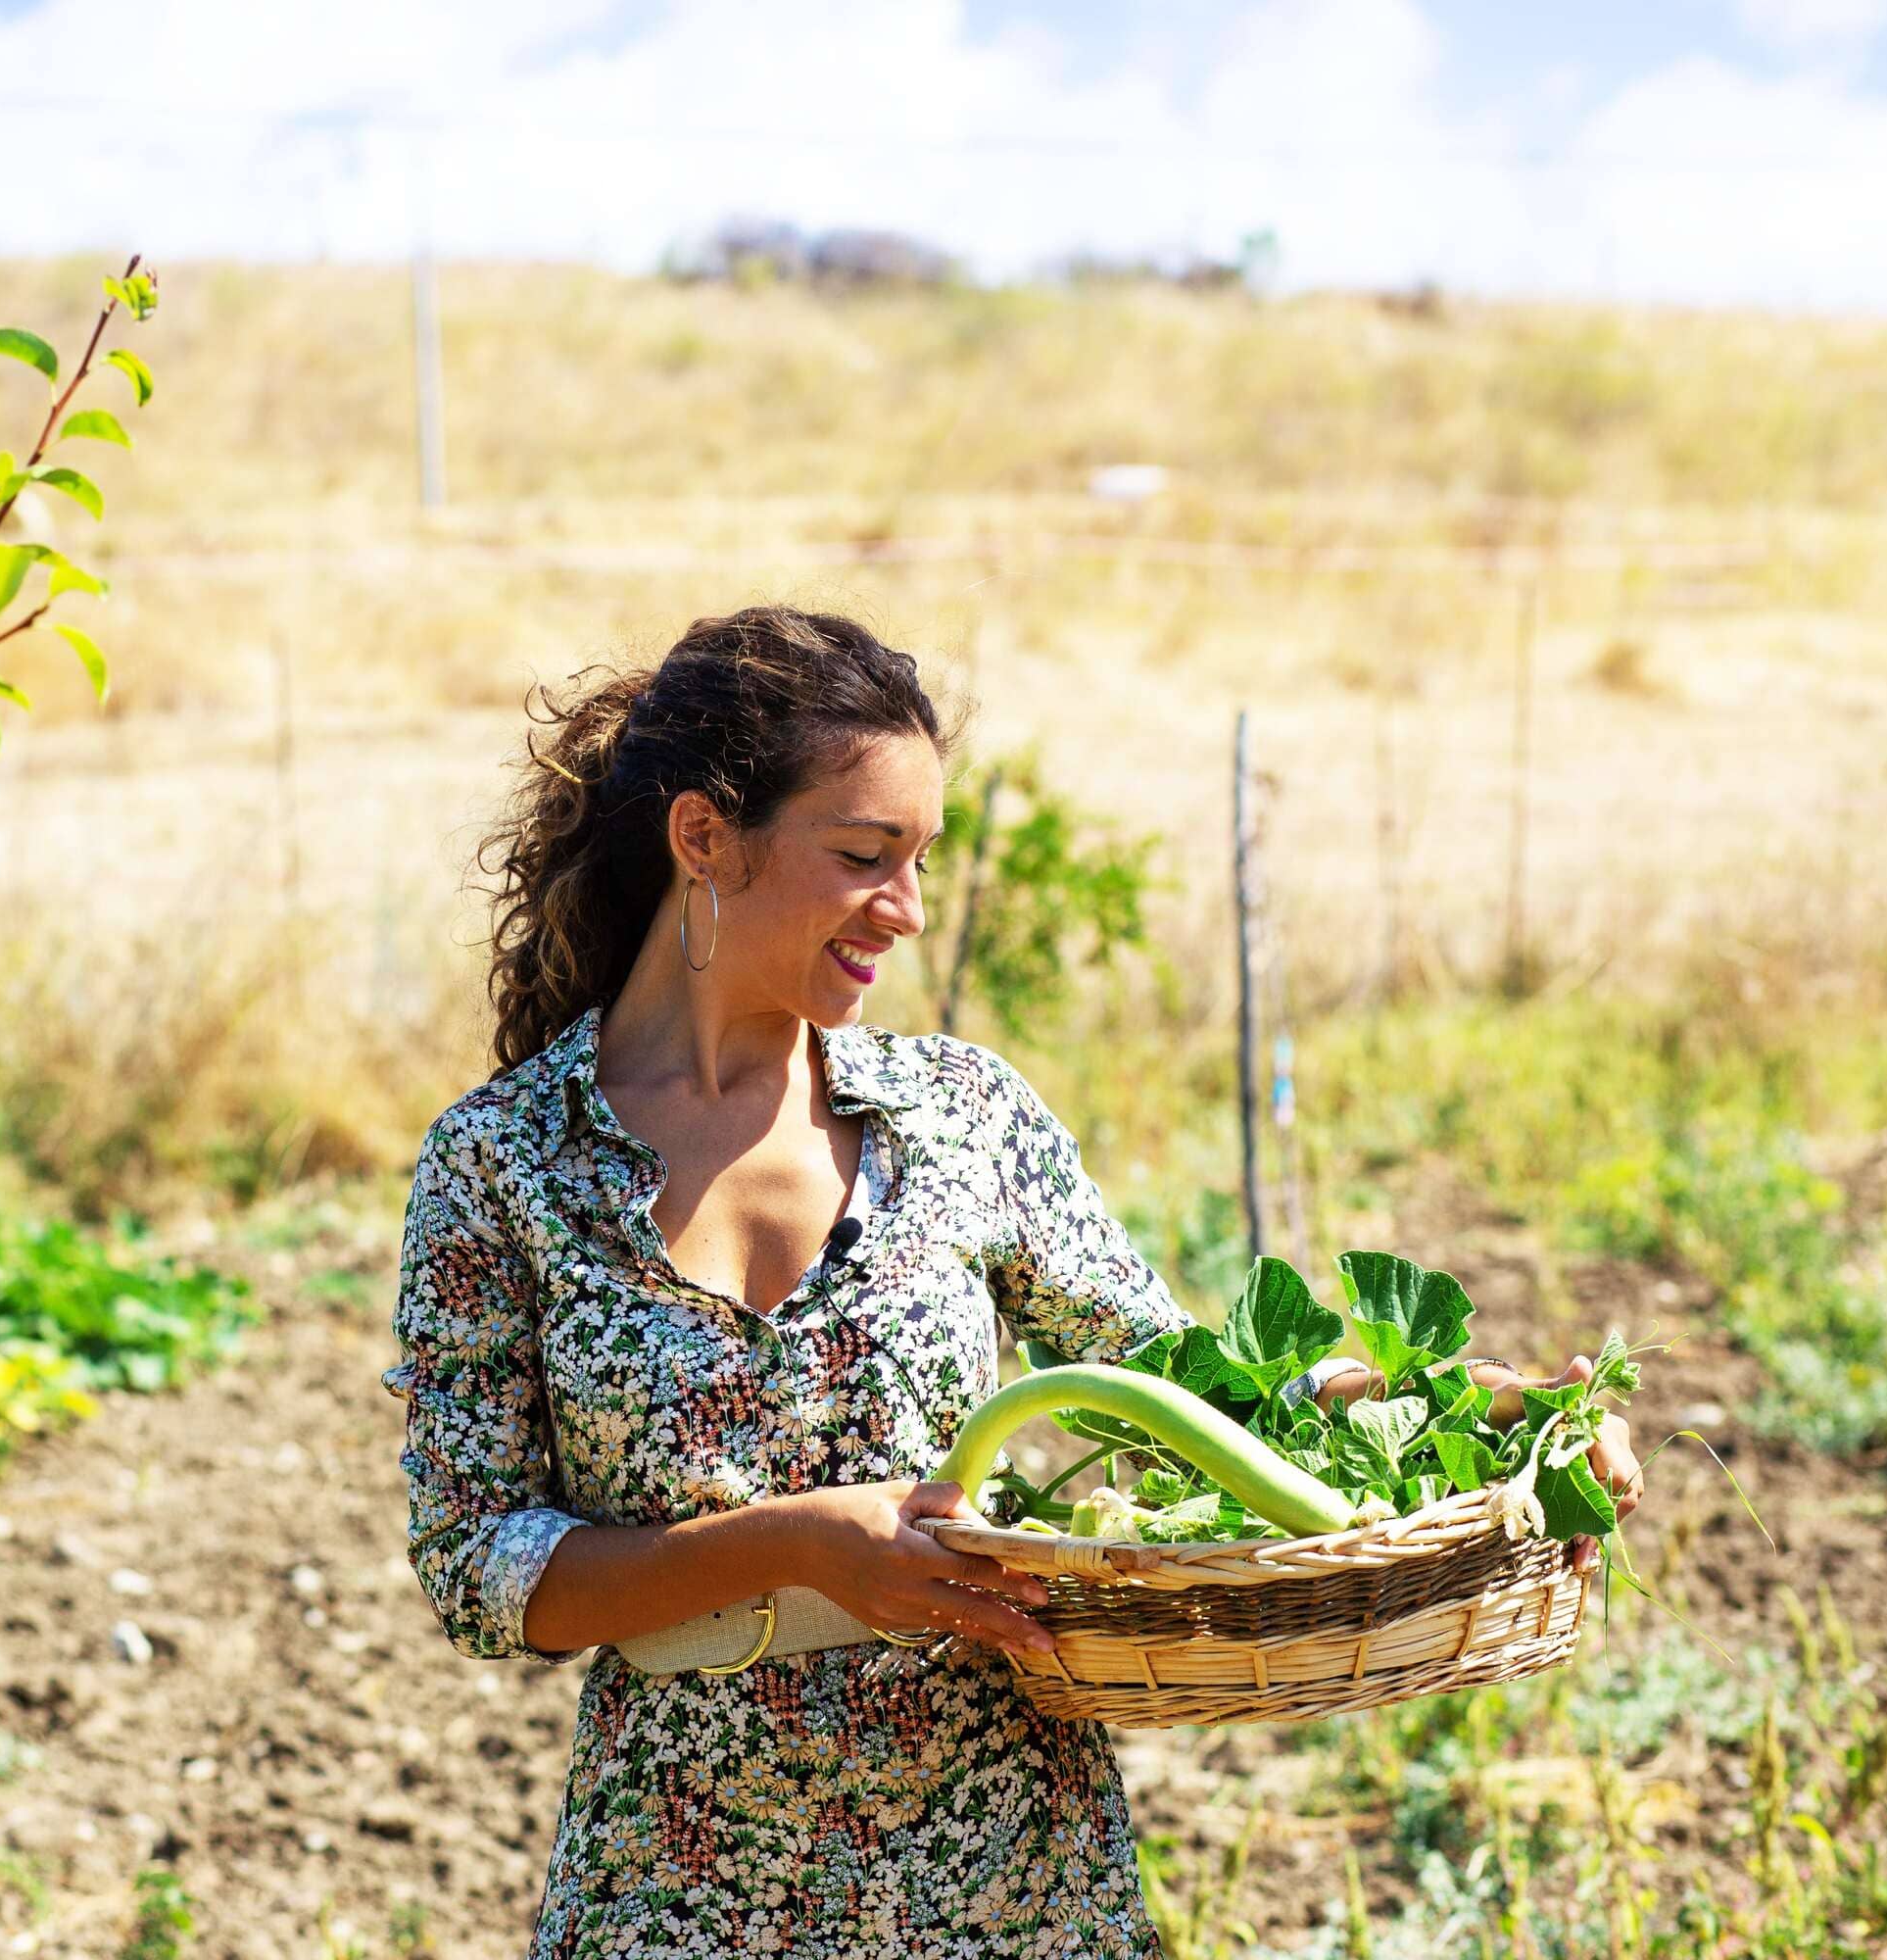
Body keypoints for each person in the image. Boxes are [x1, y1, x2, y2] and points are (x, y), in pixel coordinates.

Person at [380, 605, 1642, 1958]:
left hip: (1008, 1869)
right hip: (680, 1883)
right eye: (864, 857)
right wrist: (793, 1547)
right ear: (704, 838)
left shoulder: (961, 1115)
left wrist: (1481, 1417)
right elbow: (479, 1566)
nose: (909, 911)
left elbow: (1181, 1390)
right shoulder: (502, 1162)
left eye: (920, 861)